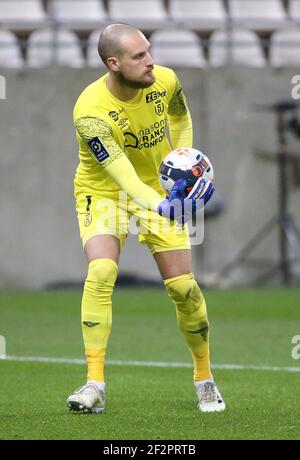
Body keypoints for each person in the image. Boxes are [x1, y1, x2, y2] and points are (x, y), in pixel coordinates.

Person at [67, 24, 225, 414]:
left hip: (159, 187)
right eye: (139, 57)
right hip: (104, 192)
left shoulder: (166, 80)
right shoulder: (90, 113)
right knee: (101, 272)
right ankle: (94, 385)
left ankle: (205, 378)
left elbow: (180, 119)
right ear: (114, 63)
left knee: (183, 288)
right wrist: (161, 205)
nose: (151, 61)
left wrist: (187, 170)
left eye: (149, 51)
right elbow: (122, 175)